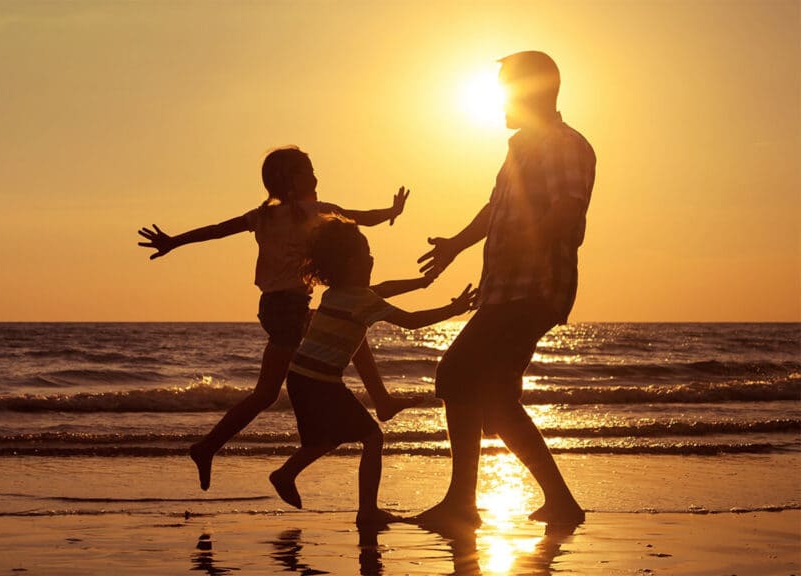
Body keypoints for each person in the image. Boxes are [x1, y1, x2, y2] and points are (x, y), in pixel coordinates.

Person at [138, 146, 424, 491]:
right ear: (289, 181)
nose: (316, 176)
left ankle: (207, 446)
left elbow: (215, 230)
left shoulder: (265, 216)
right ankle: (380, 400)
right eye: (308, 171)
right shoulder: (308, 212)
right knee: (291, 373)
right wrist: (391, 211)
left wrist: (174, 242)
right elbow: (357, 217)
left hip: (274, 307)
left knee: (313, 357)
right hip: (288, 309)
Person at [414, 51, 595, 528]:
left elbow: (568, 210)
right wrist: (456, 243)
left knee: (455, 374)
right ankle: (559, 502)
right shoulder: (521, 149)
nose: (498, 103)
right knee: (494, 398)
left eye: (505, 92)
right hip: (507, 289)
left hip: (533, 288)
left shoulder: (562, 144)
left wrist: (525, 242)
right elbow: (495, 208)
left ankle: (462, 503)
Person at [269, 216, 478, 526]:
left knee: (324, 440)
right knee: (372, 438)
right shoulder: (363, 300)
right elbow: (412, 320)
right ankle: (367, 510)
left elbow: (386, 288)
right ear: (353, 263)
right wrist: (452, 310)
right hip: (321, 383)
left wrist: (421, 282)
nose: (373, 259)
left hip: (300, 378)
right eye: (367, 255)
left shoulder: (336, 293)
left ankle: (285, 474)